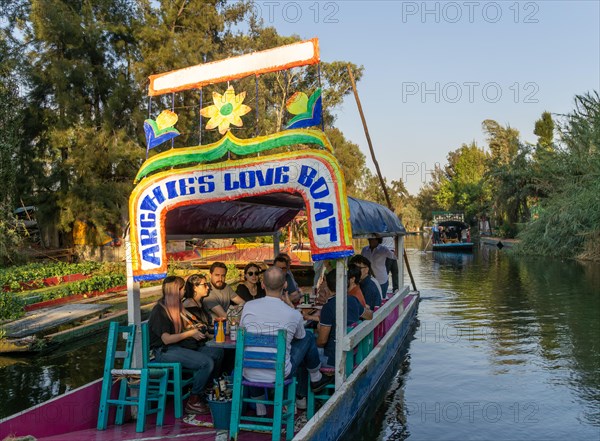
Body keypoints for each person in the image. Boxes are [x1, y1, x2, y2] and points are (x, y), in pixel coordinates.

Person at [240, 267, 332, 409]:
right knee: (307, 336)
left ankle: (260, 408)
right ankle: (315, 377)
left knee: (258, 354)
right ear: (285, 285)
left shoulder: (248, 306)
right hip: (278, 373)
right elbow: (300, 336)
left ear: (262, 285)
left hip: (248, 371)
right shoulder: (292, 314)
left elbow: (243, 330)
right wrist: (290, 306)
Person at [148, 276, 224, 415]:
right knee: (206, 362)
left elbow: (187, 324)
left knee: (216, 353)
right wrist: (190, 334)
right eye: (182, 288)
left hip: (177, 347)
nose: (184, 291)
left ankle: (206, 389)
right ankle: (193, 400)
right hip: (163, 351)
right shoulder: (160, 310)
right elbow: (166, 339)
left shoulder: (177, 307)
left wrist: (196, 329)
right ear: (175, 290)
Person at [317, 270, 371, 368]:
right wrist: (365, 308)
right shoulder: (353, 300)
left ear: (327, 286)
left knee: (309, 345)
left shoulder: (328, 307)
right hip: (352, 354)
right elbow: (369, 316)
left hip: (333, 359)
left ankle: (315, 379)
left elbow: (322, 341)